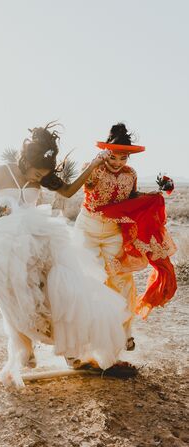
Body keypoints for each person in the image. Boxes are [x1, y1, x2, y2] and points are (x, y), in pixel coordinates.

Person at [0, 123, 129, 387]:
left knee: (56, 291)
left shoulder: (41, 177)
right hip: (3, 245)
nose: (41, 178)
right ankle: (24, 349)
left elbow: (69, 190)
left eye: (45, 174)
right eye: (38, 172)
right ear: (25, 161)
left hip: (36, 241)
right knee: (15, 299)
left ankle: (71, 352)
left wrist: (93, 165)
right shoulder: (2, 171)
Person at [75, 123, 177, 351]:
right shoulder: (94, 168)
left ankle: (124, 332)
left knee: (121, 279)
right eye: (114, 157)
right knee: (91, 278)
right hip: (87, 229)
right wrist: (94, 164)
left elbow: (130, 198)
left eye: (124, 158)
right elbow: (81, 186)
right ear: (106, 152)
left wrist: (150, 195)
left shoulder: (131, 174)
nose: (118, 163)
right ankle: (88, 335)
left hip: (113, 231)